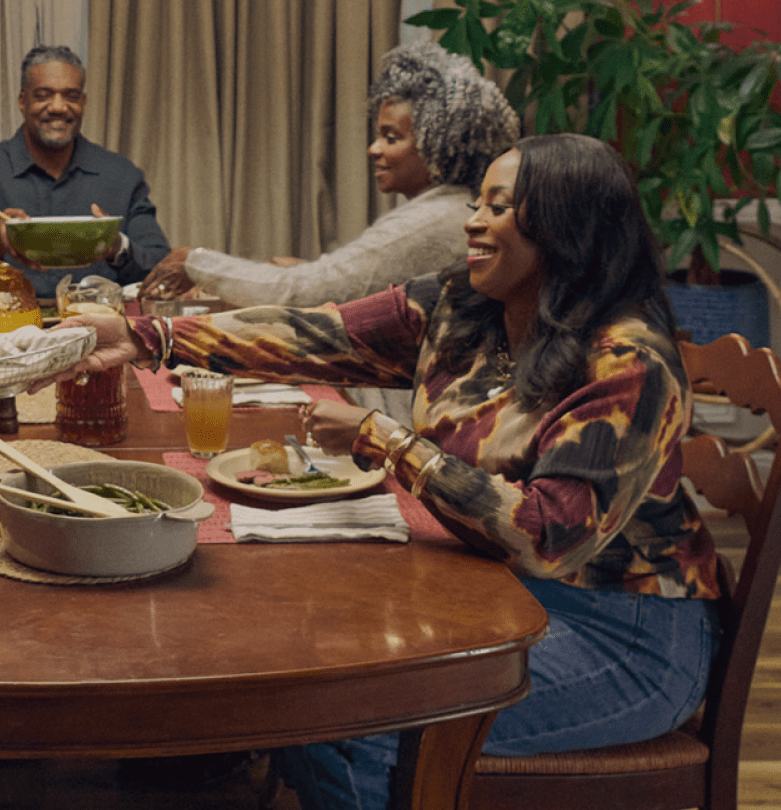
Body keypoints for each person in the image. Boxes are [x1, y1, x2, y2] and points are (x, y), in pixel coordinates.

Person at [38, 133, 721, 810]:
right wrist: (144, 336)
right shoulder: (466, 307)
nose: (471, 221)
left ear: (568, 227)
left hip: (626, 633)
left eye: (500, 206)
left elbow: (547, 535)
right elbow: (315, 332)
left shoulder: (628, 362)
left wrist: (389, 442)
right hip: (493, 592)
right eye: (478, 201)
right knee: (302, 675)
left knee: (350, 726)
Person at [137, 39, 519, 308]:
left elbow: (301, 293)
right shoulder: (451, 206)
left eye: (391, 138)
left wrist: (194, 261)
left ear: (440, 145)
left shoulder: (434, 219)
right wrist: (314, 272)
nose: (374, 149)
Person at [0, 44, 171, 301]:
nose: (58, 107)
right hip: (4, 330)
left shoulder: (121, 176)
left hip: (96, 330)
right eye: (43, 95)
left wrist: (117, 247)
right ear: (22, 101)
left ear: (83, 103)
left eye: (71, 96)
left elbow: (163, 273)